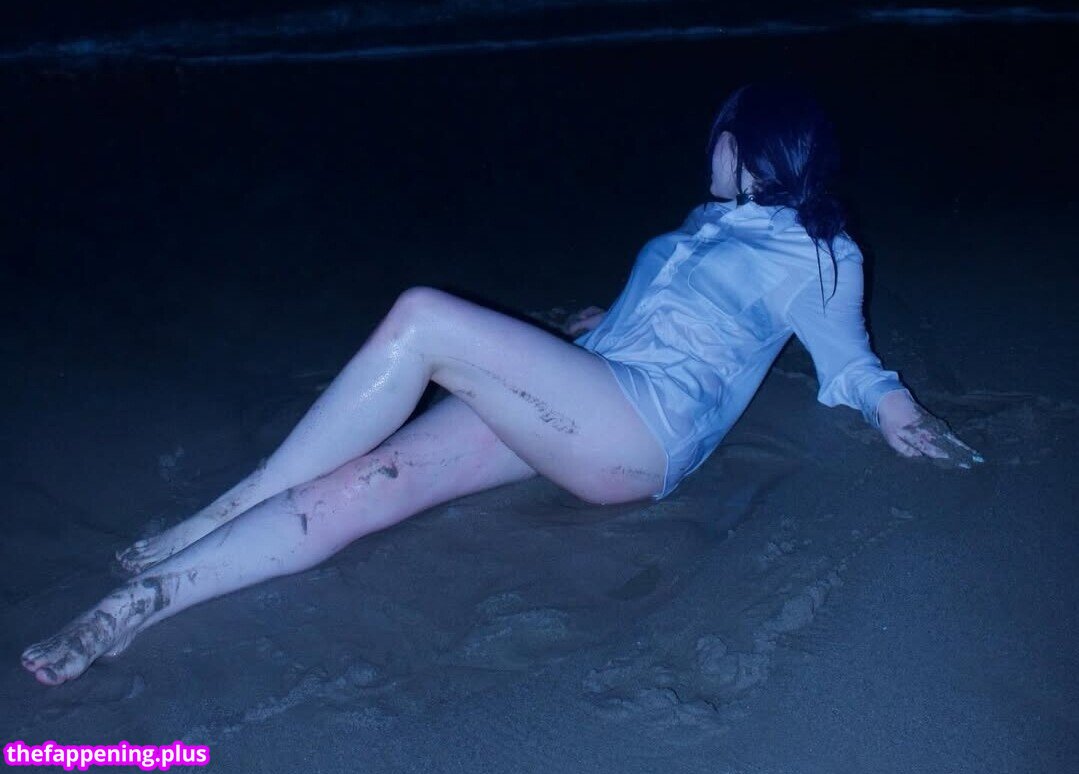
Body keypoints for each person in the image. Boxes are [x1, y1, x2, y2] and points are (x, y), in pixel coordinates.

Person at [21, 82, 981, 686]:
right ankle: (140, 607)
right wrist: (591, 325)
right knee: (368, 482)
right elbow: (665, 311)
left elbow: (852, 364)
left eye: (719, 136)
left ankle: (223, 507)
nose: (709, 148)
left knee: (422, 316)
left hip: (640, 436)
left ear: (749, 142)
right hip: (593, 392)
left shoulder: (822, 254)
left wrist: (913, 425)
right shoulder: (706, 220)